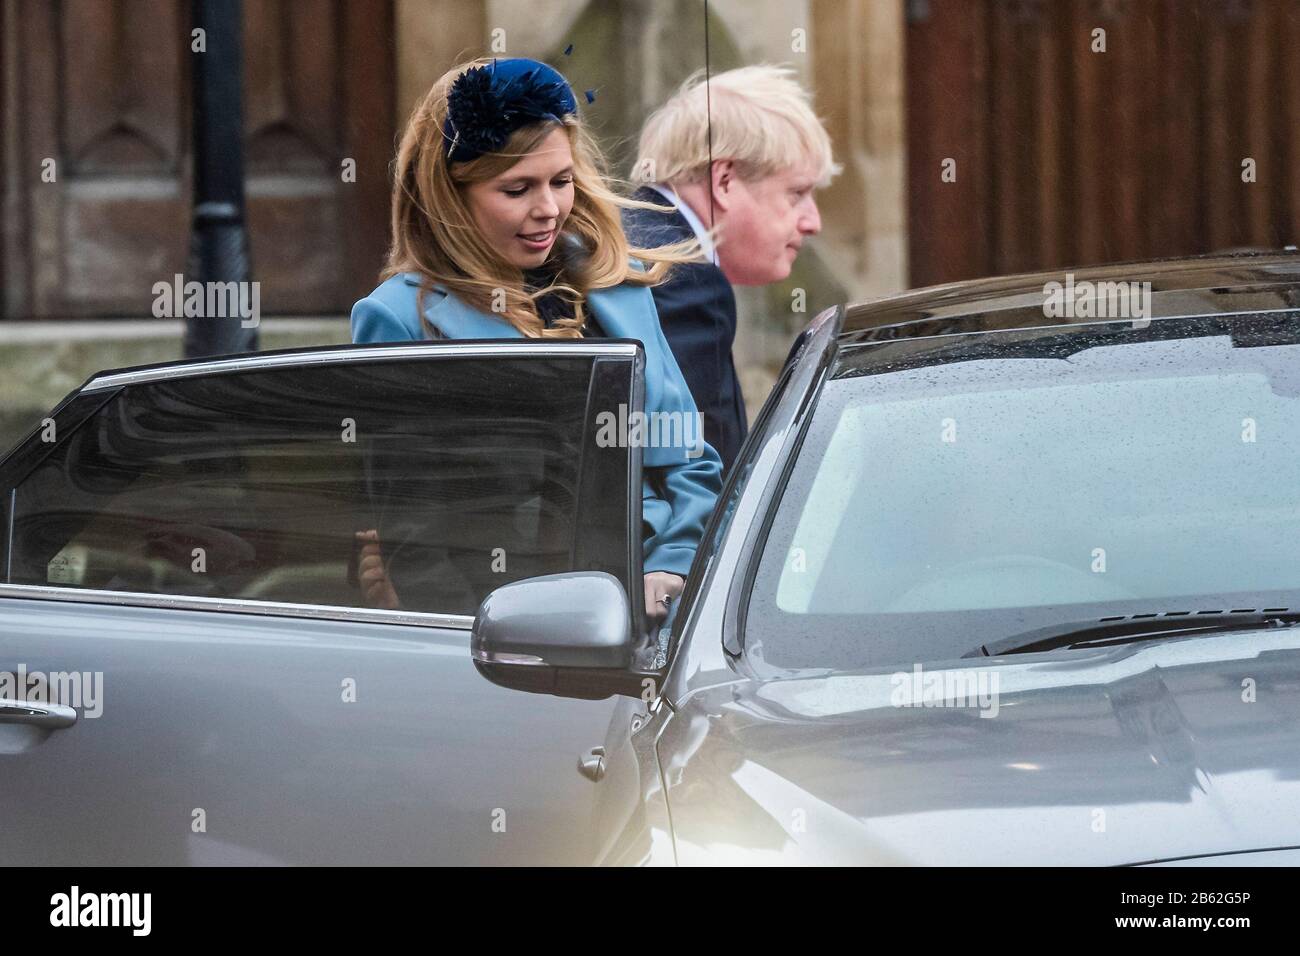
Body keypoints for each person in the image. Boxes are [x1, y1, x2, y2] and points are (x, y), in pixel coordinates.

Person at [349, 57, 722, 629]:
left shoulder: (614, 282)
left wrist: (670, 568)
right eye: (517, 188)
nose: (548, 209)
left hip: (652, 616)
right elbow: (415, 537)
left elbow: (689, 459)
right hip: (507, 627)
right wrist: (481, 642)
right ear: (451, 195)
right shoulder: (398, 317)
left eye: (561, 181)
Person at [623, 64, 839, 473]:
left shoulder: (629, 239)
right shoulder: (683, 279)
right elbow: (685, 477)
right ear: (723, 180)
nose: (813, 222)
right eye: (796, 193)